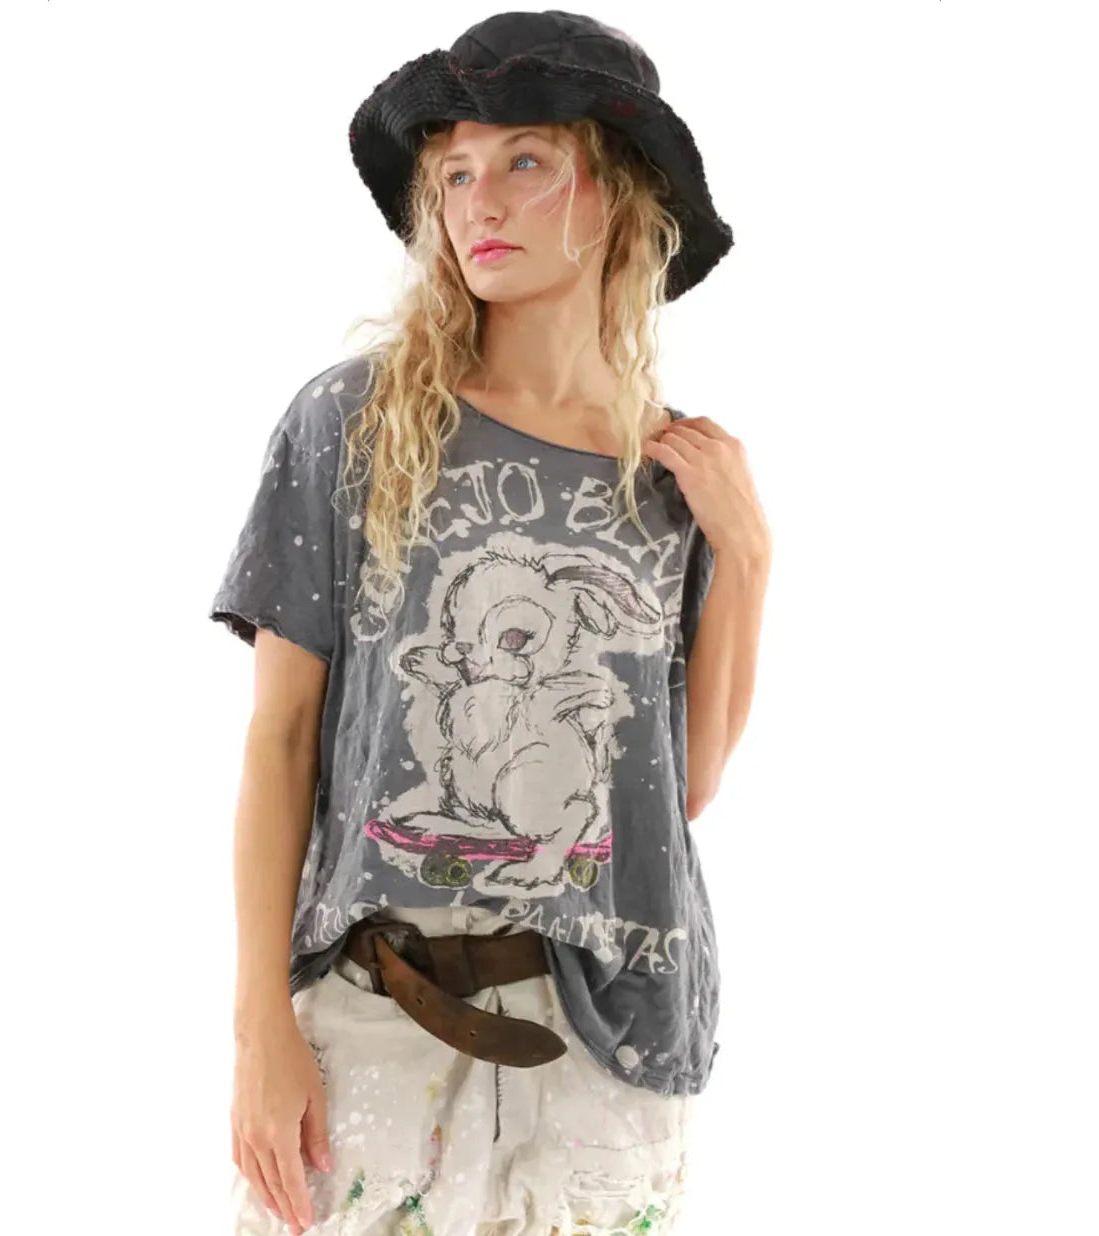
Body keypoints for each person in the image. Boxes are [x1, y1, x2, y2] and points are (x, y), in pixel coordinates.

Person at [209, 11, 772, 1236]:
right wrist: (260, 1030)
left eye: (525, 160)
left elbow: (680, 786)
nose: (481, 203)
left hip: (604, 1042)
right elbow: (281, 740)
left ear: (619, 191)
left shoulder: (670, 473)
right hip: (373, 1018)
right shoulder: (355, 424)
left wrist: (747, 553)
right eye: (456, 173)